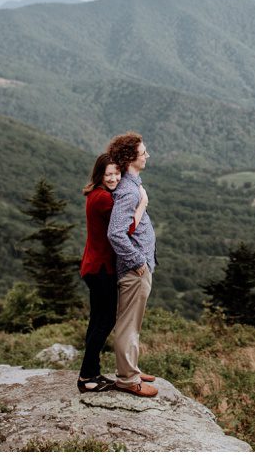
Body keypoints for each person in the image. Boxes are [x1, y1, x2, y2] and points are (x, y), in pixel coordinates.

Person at [106, 131, 159, 397]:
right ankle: (127, 379)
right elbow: (115, 232)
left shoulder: (132, 184)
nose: (147, 155)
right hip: (134, 270)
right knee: (128, 324)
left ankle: (132, 368)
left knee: (133, 323)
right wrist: (138, 261)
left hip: (139, 267)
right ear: (130, 158)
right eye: (143, 153)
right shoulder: (128, 191)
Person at [76, 153, 122, 393]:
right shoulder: (104, 198)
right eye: (109, 174)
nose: (113, 178)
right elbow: (125, 227)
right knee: (106, 319)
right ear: (100, 175)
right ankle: (86, 375)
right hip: (101, 268)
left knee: (97, 320)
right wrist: (142, 203)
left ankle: (90, 373)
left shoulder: (95, 193)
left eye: (116, 173)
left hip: (93, 266)